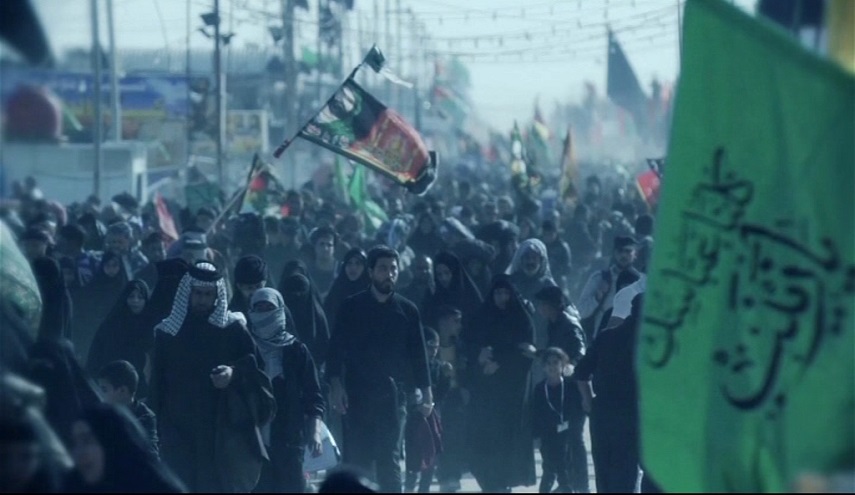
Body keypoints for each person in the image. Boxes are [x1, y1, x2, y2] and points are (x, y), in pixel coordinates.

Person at [148, 261, 268, 492]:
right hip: (176, 429)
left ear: (217, 296)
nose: (202, 299)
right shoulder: (168, 333)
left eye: (207, 294)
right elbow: (157, 383)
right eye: (197, 293)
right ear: (188, 292)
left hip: (219, 430)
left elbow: (256, 368)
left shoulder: (232, 329)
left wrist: (233, 373)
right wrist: (157, 427)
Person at [327, 245, 434, 492]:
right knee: (358, 459)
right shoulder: (351, 307)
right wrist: (336, 385)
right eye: (383, 268)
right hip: (357, 394)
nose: (389, 274)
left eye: (393, 269)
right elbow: (336, 351)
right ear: (371, 272)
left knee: (389, 458)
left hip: (394, 396)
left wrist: (427, 392)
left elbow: (419, 356)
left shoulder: (407, 310)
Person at [246, 288, 325, 493]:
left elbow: (313, 396)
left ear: (280, 310)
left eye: (269, 308)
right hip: (253, 442)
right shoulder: (245, 347)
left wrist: (315, 432)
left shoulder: (296, 350)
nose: (265, 314)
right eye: (259, 308)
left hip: (289, 439)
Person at [464, 274, 537, 492]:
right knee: (482, 440)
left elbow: (526, 352)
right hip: (485, 390)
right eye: (498, 293)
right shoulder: (481, 316)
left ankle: (502, 484)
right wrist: (479, 357)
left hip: (512, 392)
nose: (502, 297)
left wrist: (501, 363)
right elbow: (468, 344)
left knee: (507, 441)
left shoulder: (522, 319)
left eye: (506, 293)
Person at [572, 295, 645, 494]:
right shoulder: (648, 342)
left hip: (602, 411)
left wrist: (588, 400)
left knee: (604, 468)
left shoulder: (606, 336)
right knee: (625, 470)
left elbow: (580, 372)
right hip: (632, 413)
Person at [533, 285, 589, 492]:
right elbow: (555, 351)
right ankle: (569, 484)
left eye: (542, 304)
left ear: (552, 305)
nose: (540, 308)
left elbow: (580, 352)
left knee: (574, 438)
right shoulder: (554, 323)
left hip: (574, 389)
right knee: (562, 439)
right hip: (561, 387)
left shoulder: (569, 324)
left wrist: (570, 366)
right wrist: (540, 354)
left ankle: (581, 485)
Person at [63, 403, 186, 493]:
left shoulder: (158, 488)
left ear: (113, 444)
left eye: (87, 441)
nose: (78, 452)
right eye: (74, 444)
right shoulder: (74, 486)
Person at [531, 348, 586, 494]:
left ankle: (567, 488)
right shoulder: (540, 389)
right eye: (548, 363)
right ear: (543, 367)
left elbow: (577, 411)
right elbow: (536, 413)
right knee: (549, 469)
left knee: (564, 470)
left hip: (566, 436)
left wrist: (572, 428)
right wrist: (536, 436)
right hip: (547, 436)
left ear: (563, 365)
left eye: (556, 362)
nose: (552, 367)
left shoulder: (570, 386)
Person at [86, 280, 153, 397]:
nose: (135, 301)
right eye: (131, 296)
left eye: (140, 297)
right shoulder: (112, 323)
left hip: (142, 388)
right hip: (113, 386)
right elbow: (96, 356)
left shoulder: (152, 326)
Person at [404, 327, 446, 493]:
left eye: (436, 347)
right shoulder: (411, 366)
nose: (433, 351)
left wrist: (446, 378)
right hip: (414, 415)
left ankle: (424, 489)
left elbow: (441, 394)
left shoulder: (437, 366)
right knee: (414, 455)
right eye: (430, 347)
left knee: (431, 454)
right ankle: (409, 486)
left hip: (432, 415)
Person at [577, 236, 641, 342]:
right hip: (599, 337)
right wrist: (598, 297)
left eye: (628, 251)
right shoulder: (599, 278)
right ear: (614, 253)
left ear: (635, 254)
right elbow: (582, 311)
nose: (623, 255)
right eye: (620, 251)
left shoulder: (640, 282)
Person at [96, 360, 159, 457]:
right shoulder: (100, 414)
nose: (99, 394)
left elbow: (150, 457)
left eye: (104, 390)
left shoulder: (145, 418)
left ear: (122, 390)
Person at [280, 273, 331, 371]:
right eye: (293, 292)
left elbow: (324, 344)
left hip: (311, 367)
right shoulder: (277, 315)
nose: (297, 295)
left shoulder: (317, 315)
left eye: (301, 292)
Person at [421, 251, 482, 331]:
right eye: (439, 274)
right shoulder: (432, 294)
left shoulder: (470, 296)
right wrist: (433, 299)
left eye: (447, 273)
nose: (443, 278)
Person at [323, 247, 370, 332]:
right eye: (349, 263)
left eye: (358, 263)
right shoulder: (336, 290)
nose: (353, 267)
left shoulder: (372, 292)